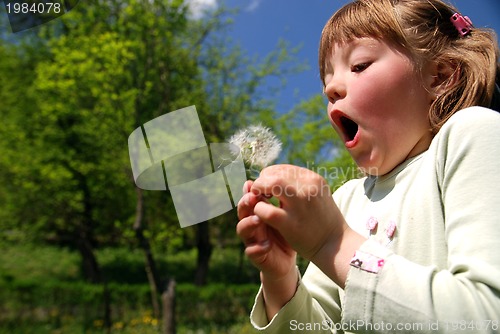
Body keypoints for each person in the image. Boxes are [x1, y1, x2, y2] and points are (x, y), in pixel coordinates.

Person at [236, 0, 500, 332]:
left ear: (441, 75)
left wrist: (333, 243)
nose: (331, 89)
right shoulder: (346, 199)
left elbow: (487, 314)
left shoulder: (472, 135)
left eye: (359, 65)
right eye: (326, 81)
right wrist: (281, 279)